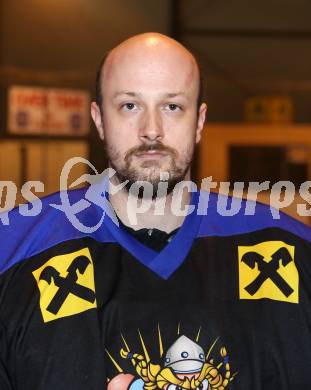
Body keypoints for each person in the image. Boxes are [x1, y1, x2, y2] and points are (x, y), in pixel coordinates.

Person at [0, 32, 311, 390]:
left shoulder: (294, 252)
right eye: (130, 106)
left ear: (199, 121)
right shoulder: (13, 252)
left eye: (172, 106)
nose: (152, 130)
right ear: (99, 119)